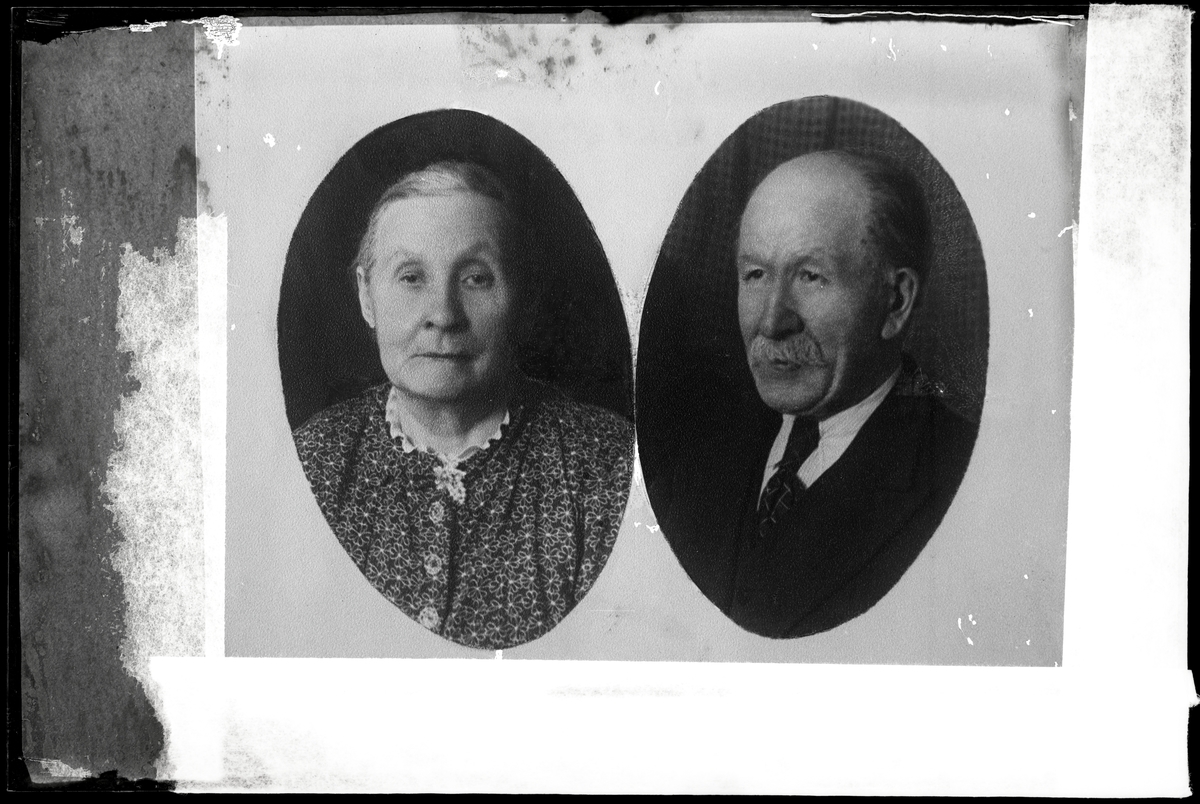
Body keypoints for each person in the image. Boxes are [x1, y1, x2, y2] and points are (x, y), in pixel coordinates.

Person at [292, 161, 634, 651]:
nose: (443, 315)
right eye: (412, 277)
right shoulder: (314, 461)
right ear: (367, 296)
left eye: (475, 278)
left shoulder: (605, 467)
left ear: (523, 298)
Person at [650, 150, 979, 639]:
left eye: (811, 276)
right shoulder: (698, 444)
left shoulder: (958, 478)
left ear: (895, 302)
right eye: (755, 275)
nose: (771, 321)